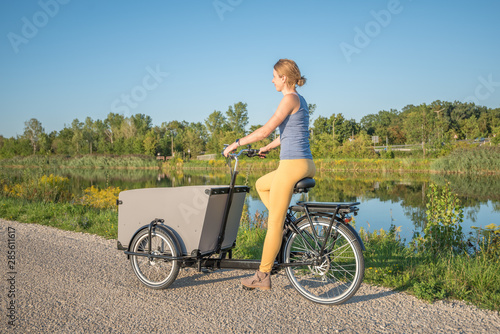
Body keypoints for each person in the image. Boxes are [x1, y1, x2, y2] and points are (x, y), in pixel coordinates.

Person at [223, 59, 315, 290]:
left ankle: (262, 276)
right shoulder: (300, 100)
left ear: (284, 78)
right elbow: (287, 134)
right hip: (305, 163)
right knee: (262, 184)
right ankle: (283, 220)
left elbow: (265, 130)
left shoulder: (289, 98)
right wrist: (268, 148)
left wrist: (237, 143)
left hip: (292, 166)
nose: (272, 80)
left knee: (272, 224)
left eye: (274, 76)